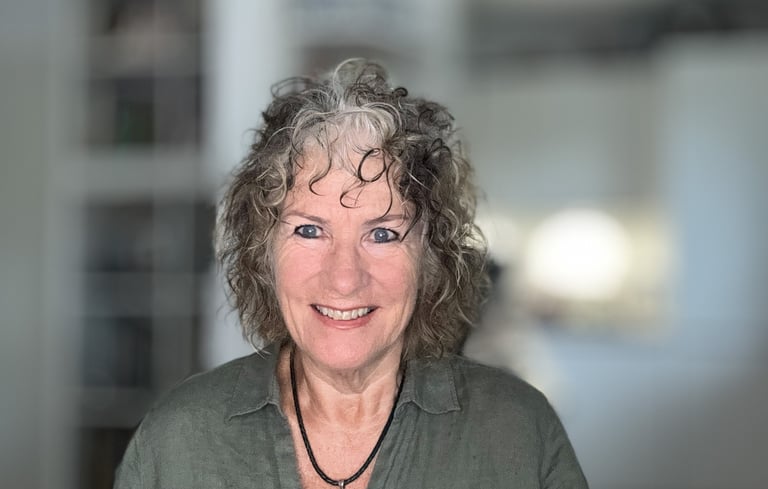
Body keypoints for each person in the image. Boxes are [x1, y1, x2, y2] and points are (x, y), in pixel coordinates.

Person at [114, 59, 588, 489]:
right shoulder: (177, 441)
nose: (344, 279)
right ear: (264, 254)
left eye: (382, 234)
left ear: (430, 257)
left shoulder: (518, 433)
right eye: (308, 230)